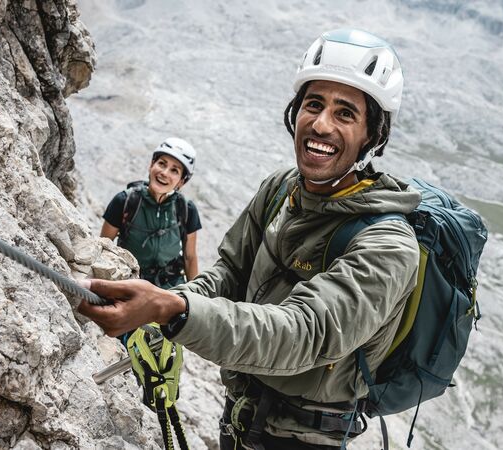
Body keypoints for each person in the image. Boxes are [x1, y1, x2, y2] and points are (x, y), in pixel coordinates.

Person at [80, 29, 420, 449]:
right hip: (242, 414)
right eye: (313, 105)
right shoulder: (281, 190)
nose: (321, 124)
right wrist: (160, 308)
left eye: (345, 113)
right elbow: (229, 273)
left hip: (305, 439)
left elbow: (302, 333)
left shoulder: (387, 243)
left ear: (372, 134)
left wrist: (176, 310)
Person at [100, 137, 202, 289]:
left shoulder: (186, 209)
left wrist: (194, 297)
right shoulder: (124, 201)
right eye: (162, 164)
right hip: (131, 280)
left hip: (171, 286)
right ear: (151, 165)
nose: (164, 173)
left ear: (181, 181)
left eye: (174, 170)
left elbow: (190, 257)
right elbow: (103, 247)